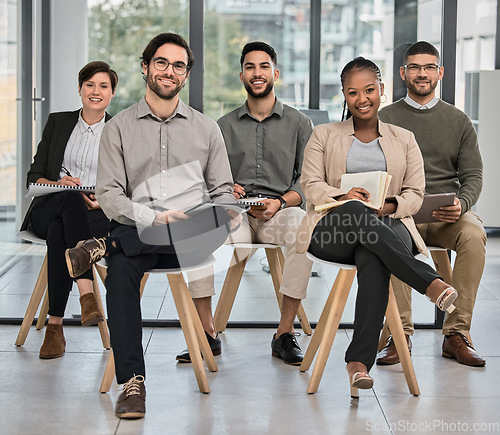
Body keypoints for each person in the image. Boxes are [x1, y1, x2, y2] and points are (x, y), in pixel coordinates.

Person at [65, 33, 237, 419]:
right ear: (145, 67)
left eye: (178, 65)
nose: (169, 71)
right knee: (124, 268)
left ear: (186, 74)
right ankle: (132, 384)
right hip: (139, 234)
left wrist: (214, 213)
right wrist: (154, 218)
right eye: (161, 62)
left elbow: (224, 192)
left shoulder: (207, 129)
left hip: (190, 238)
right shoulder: (120, 128)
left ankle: (101, 247)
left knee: (124, 242)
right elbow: (109, 195)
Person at [296, 57, 457, 393]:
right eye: (353, 92)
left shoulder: (404, 138)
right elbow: (310, 185)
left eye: (369, 89)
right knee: (357, 211)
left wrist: (390, 205)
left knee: (372, 254)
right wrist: (343, 195)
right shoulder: (323, 134)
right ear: (344, 95)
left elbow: (415, 192)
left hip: (388, 223)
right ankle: (429, 283)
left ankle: (358, 363)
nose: (362, 98)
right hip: (332, 226)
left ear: (382, 91)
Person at [174, 41, 314, 366]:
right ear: (242, 76)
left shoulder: (300, 124)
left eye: (264, 66)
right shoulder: (222, 126)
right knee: (197, 231)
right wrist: (226, 188)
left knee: (304, 230)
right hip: (235, 216)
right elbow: (208, 180)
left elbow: (307, 181)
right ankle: (208, 332)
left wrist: (280, 202)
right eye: (250, 67)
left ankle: (284, 333)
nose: (257, 73)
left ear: (275, 73)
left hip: (278, 213)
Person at [377, 41, 487, 367]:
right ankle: (400, 335)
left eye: (428, 67)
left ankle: (456, 335)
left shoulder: (459, 121)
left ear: (439, 72)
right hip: (402, 213)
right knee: (389, 236)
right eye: (414, 67)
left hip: (445, 215)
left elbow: (473, 176)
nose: (421, 74)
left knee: (473, 235)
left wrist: (462, 204)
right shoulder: (384, 118)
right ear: (403, 73)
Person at [20, 61, 118, 359]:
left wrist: (102, 197)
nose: (95, 91)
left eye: (103, 86)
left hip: (95, 213)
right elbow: (33, 176)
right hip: (49, 205)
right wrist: (59, 183)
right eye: (89, 85)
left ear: (112, 93)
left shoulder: (118, 130)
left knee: (58, 234)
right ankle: (86, 294)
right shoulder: (58, 122)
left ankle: (55, 328)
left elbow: (126, 184)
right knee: (69, 196)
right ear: (79, 89)